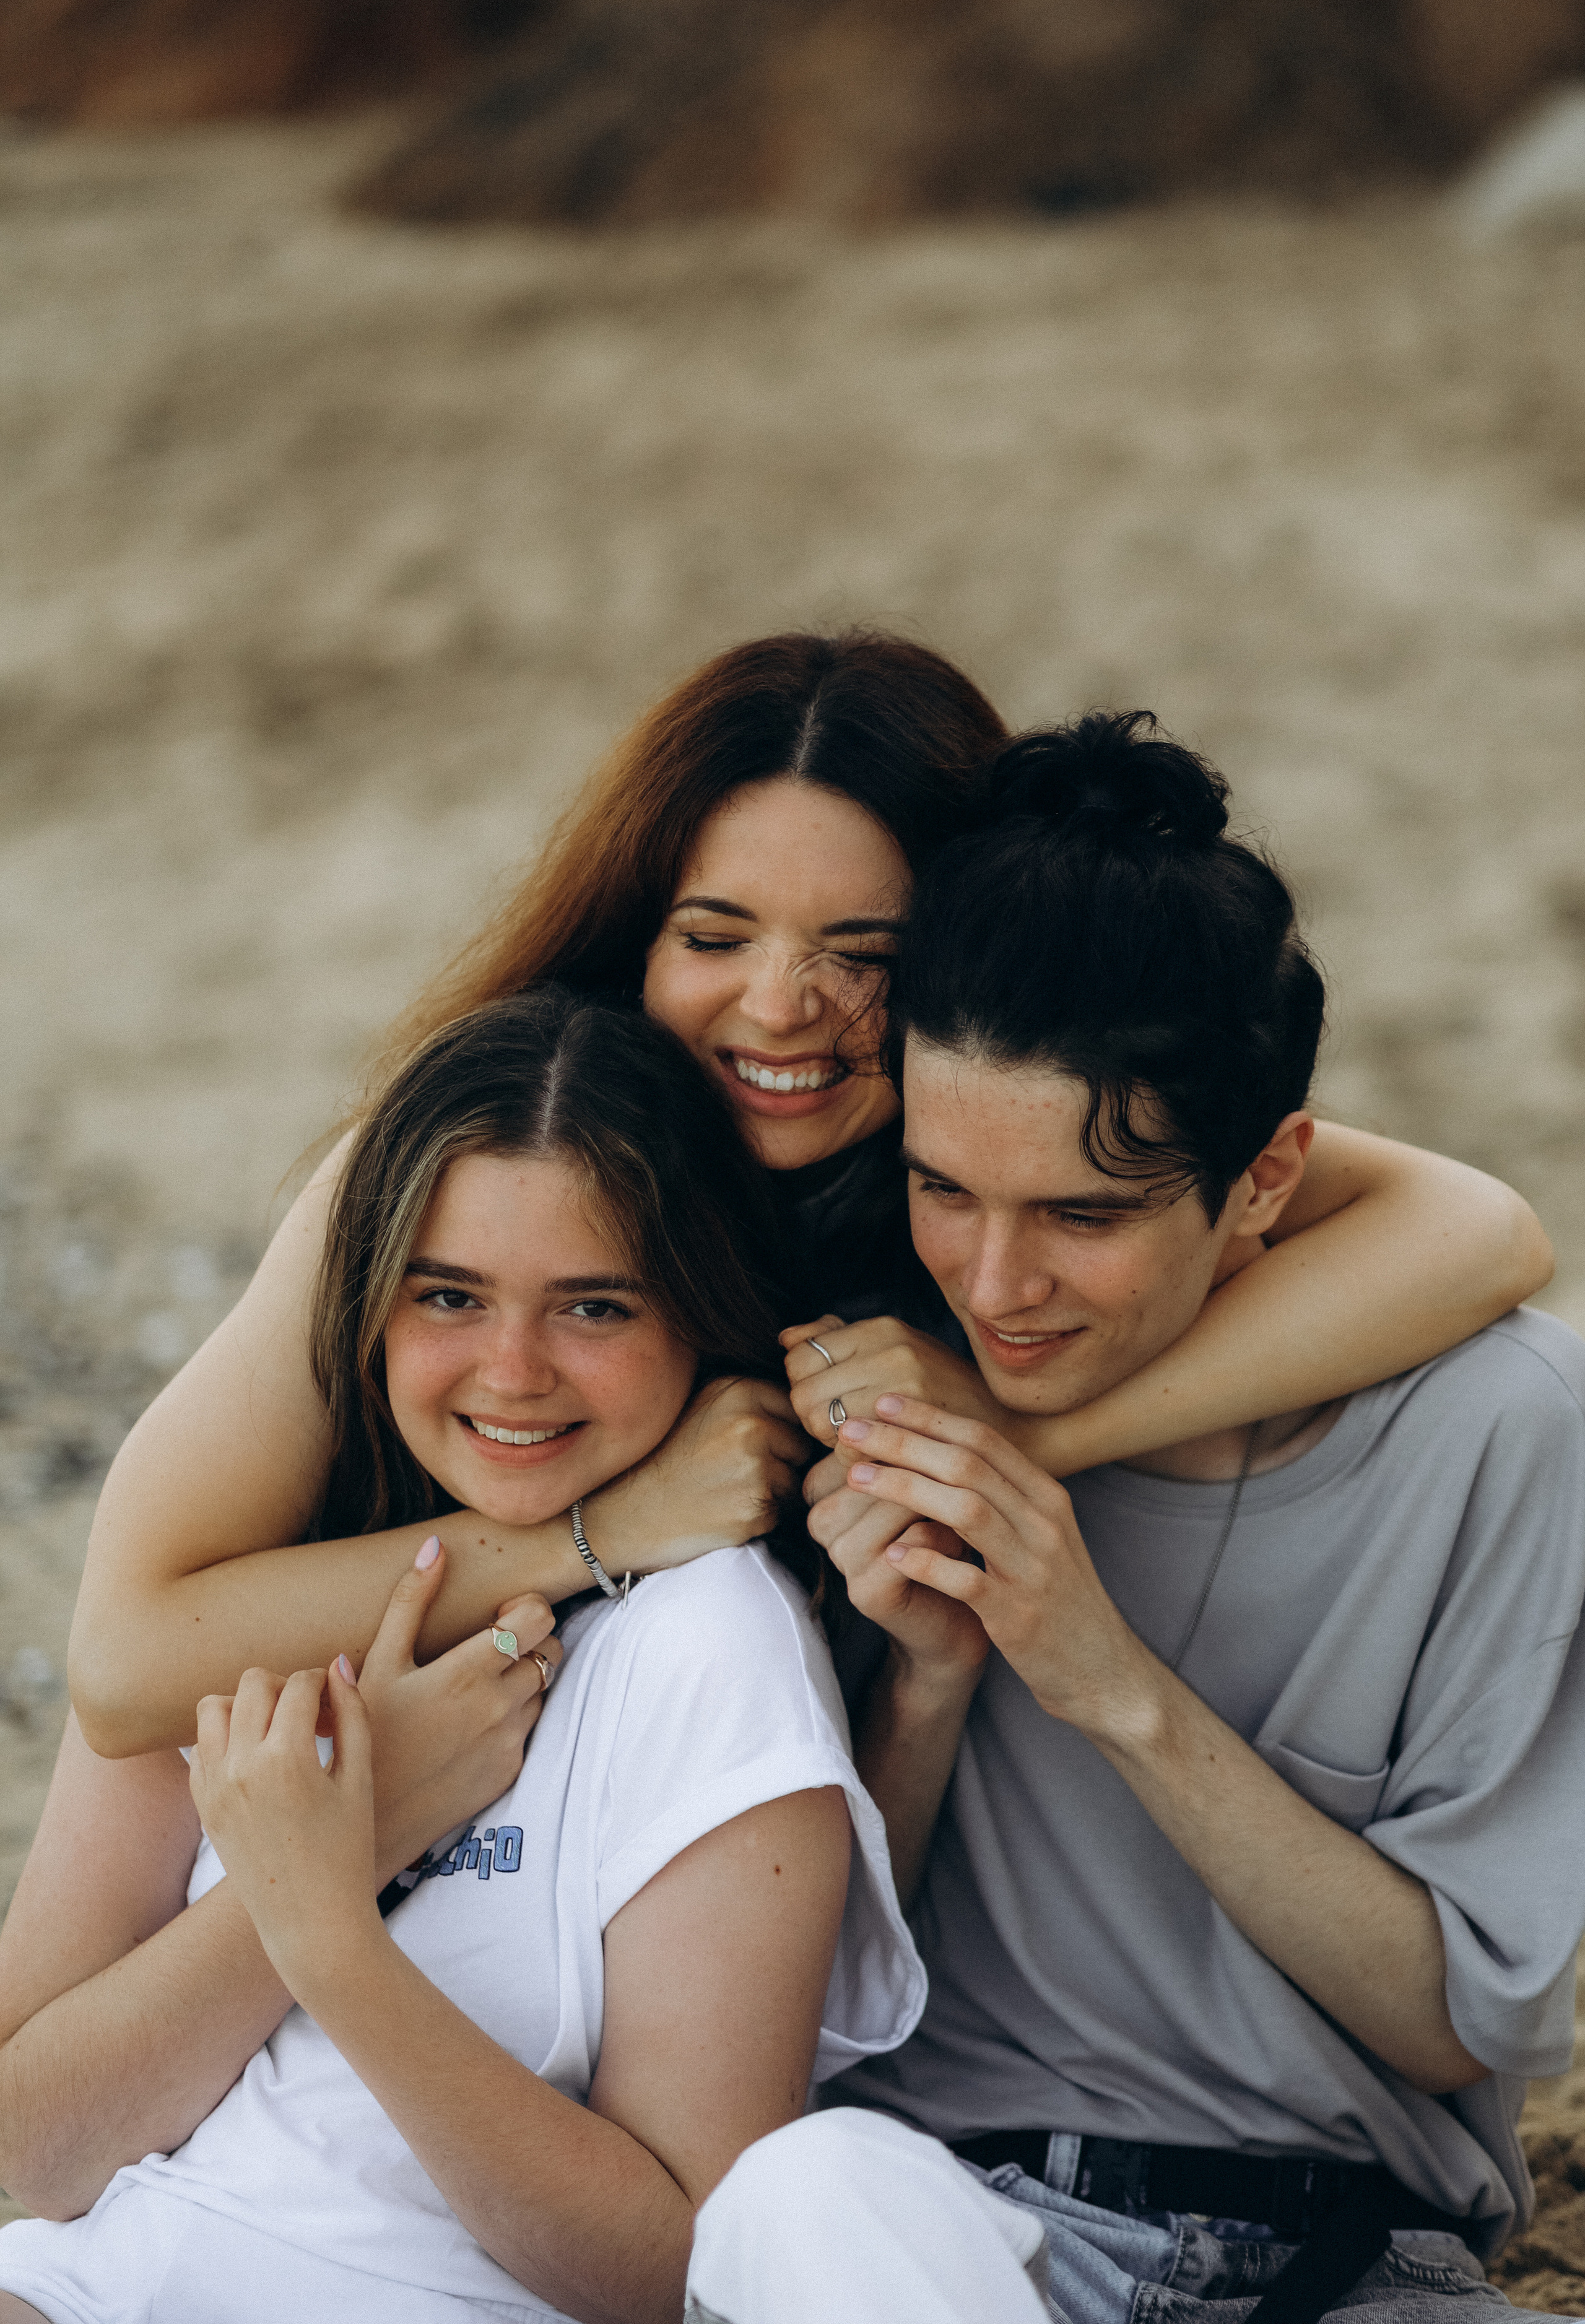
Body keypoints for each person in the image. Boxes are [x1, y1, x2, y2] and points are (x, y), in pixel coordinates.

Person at [66, 632, 1550, 1754]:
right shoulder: (465, 1165)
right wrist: (605, 1528)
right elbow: (126, 1663)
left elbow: (1479, 1234)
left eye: (863, 956)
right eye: (714, 937)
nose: (779, 1008)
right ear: (637, 938)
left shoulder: (1004, 1150)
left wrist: (1000, 1434)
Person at [692, 714, 1585, 2324]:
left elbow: (1460, 2023)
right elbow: (803, 2007)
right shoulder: (888, 1376)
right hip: (950, 2238)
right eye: (944, 1189)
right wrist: (930, 1688)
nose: (995, 1285)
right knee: (799, 2191)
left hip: (1360, 2267)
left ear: (1269, 1176)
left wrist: (1101, 1677)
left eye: (1083, 1215)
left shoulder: (1501, 1429)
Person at [0, 990, 925, 2323]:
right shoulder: (257, 1589)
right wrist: (364, 1825)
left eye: (593, 1307)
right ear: (370, 1306)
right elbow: (37, 2151)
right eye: (449, 1295)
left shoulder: (708, 1647)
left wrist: (334, 1933)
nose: (511, 1370)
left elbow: (684, 2274)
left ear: (698, 1313)